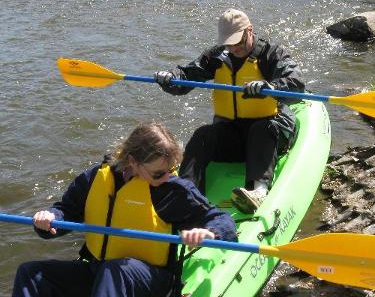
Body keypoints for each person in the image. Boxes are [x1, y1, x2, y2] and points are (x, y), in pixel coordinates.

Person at [12, 122, 237, 297]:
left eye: (171, 169)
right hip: (99, 270)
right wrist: (50, 219)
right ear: (132, 161)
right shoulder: (95, 178)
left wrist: (210, 233)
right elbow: (65, 211)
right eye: (159, 173)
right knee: (31, 273)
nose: (167, 176)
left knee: (117, 270)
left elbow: (222, 220)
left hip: (152, 281)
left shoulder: (172, 190)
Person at [154, 9, 306, 214]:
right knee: (203, 134)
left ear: (249, 31)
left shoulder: (271, 54)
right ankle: (186, 193)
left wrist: (270, 87)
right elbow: (186, 77)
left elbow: (297, 86)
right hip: (232, 135)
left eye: (238, 42)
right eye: (229, 43)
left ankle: (258, 191)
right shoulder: (217, 56)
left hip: (268, 133)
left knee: (262, 129)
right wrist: (170, 77)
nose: (234, 48)